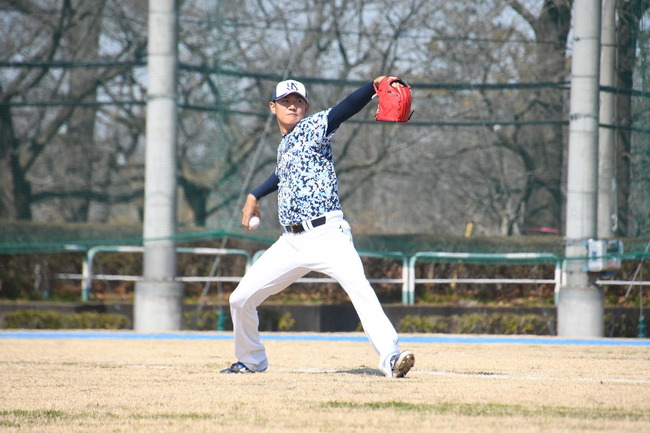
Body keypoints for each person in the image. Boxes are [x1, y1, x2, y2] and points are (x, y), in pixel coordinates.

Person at [220, 77, 415, 378]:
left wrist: (371, 87)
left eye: (298, 100)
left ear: (306, 106)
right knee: (240, 299)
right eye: (286, 101)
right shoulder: (285, 146)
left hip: (327, 234)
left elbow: (342, 110)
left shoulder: (313, 128)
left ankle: (391, 357)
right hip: (291, 242)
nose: (293, 105)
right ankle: (251, 361)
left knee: (359, 287)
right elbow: (280, 175)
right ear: (273, 107)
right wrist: (253, 194)